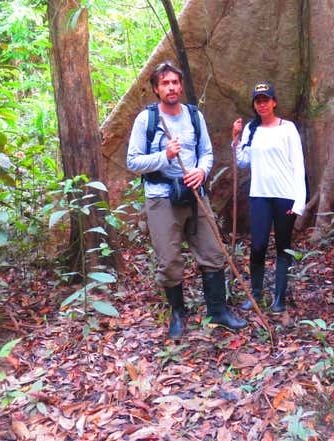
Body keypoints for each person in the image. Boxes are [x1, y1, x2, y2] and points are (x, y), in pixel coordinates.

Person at [127, 61, 246, 340]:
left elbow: (206, 152)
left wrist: (201, 171)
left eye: (175, 82)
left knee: (213, 254)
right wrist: (164, 156)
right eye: (165, 83)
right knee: (169, 260)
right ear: (156, 88)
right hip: (162, 198)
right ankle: (178, 315)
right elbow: (133, 161)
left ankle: (218, 312)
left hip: (195, 194)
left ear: (180, 86)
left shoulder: (194, 116)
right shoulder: (147, 120)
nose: (171, 87)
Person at [232, 82, 306, 313]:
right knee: (258, 245)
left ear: (274, 102)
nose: (262, 104)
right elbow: (242, 161)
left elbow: (298, 165)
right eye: (258, 100)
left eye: (266, 99)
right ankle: (256, 294)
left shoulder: (288, 128)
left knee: (283, 246)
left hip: (285, 195)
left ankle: (280, 297)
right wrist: (235, 139)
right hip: (260, 195)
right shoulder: (251, 129)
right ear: (254, 105)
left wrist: (299, 202)